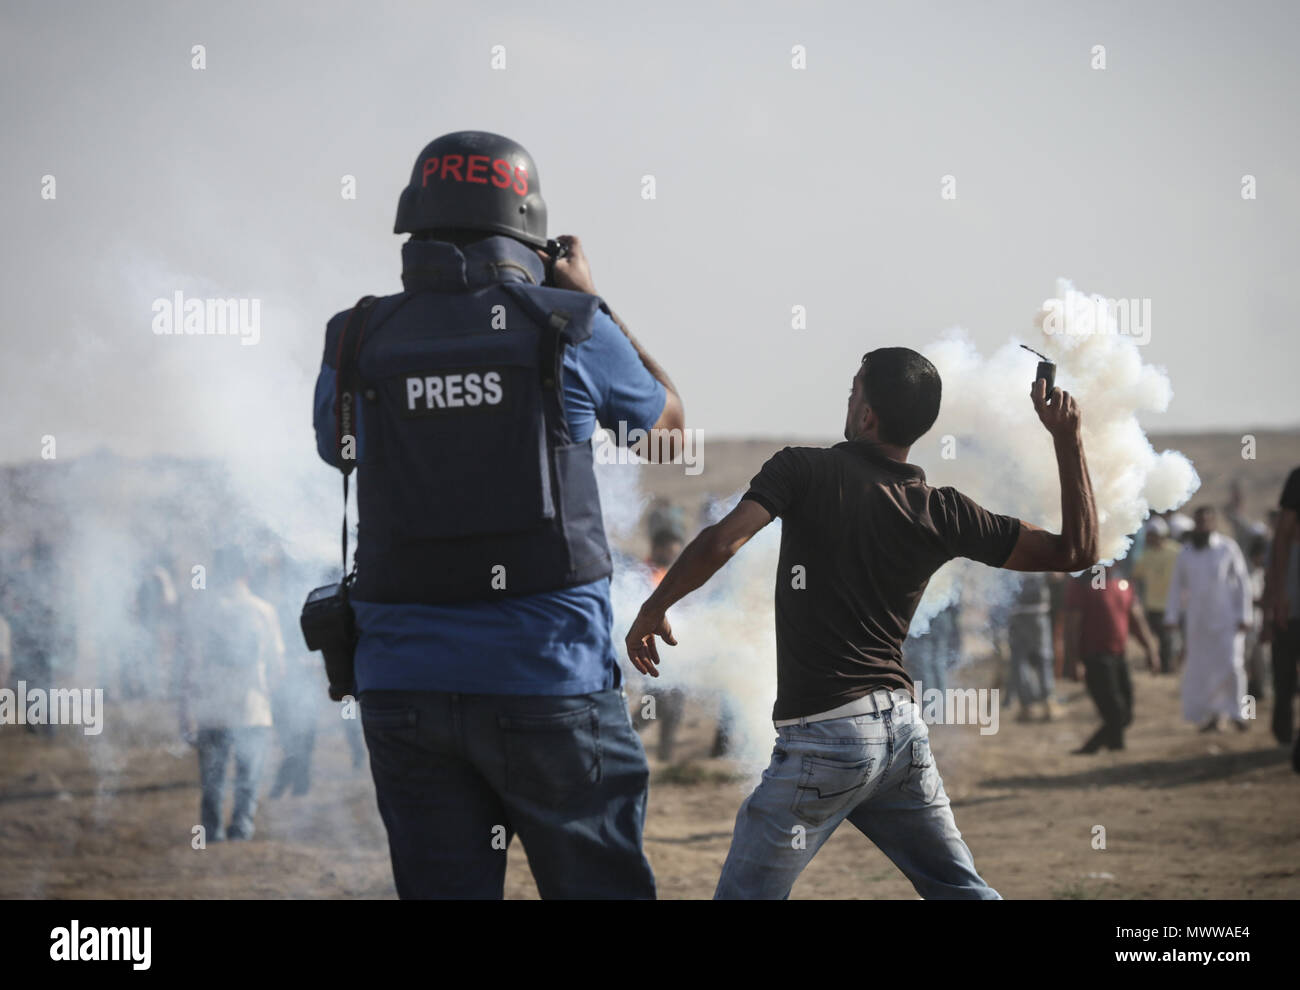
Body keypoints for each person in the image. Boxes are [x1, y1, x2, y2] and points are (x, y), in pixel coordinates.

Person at [313, 131, 683, 899]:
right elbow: (668, 431)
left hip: (402, 688)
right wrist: (589, 299)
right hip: (551, 683)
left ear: (415, 226)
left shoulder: (355, 337)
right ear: (526, 235)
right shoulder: (567, 325)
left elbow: (337, 448)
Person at [626, 348, 1099, 899]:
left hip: (827, 738)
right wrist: (1067, 437)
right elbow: (1076, 550)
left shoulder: (802, 469)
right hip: (899, 732)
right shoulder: (942, 510)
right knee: (959, 890)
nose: (847, 401)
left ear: (868, 414)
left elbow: (722, 540)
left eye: (854, 391)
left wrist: (653, 607)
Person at [177, 546, 285, 842]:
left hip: (212, 709)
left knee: (212, 780)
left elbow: (190, 667)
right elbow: (278, 666)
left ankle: (211, 831)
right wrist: (267, 695)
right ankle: (241, 829)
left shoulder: (201, 610)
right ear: (247, 572)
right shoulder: (264, 611)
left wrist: (186, 711)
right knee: (248, 778)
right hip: (253, 707)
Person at [1163, 507, 1252, 732]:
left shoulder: (1227, 548)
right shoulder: (1186, 553)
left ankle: (1238, 713)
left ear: (1213, 523)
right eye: (1199, 521)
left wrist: (1245, 614)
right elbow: (1176, 587)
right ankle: (1213, 715)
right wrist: (1171, 616)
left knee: (1233, 665)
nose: (1202, 526)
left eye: (1206, 521)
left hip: (1227, 620)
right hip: (1198, 622)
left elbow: (1243, 582)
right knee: (1204, 669)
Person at [1063, 568, 1156, 753]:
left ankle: (1105, 747)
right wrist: (1074, 661)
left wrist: (1151, 650)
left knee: (1125, 714)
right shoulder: (1082, 584)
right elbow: (1072, 626)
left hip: (1119, 656)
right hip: (1095, 657)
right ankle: (1103, 748)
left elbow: (1136, 619)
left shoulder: (1122, 583)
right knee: (1115, 711)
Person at [1262, 466, 1300, 768]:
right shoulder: (1298, 479)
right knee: (1284, 669)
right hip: (1294, 589)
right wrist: (1279, 591)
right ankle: (1283, 729)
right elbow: (1284, 535)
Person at [1132, 517, 1183, 674]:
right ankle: (1161, 664)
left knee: (1167, 637)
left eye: (1153, 535)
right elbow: (1136, 574)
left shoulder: (1177, 551)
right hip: (1152, 604)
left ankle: (1167, 667)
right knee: (1159, 637)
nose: (1150, 538)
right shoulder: (1146, 555)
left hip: (1171, 602)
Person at [1006, 573, 1056, 722]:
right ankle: (1047, 702)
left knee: (1021, 660)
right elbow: (1055, 575)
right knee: (1043, 658)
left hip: (1017, 611)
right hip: (1036, 611)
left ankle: (1029, 706)